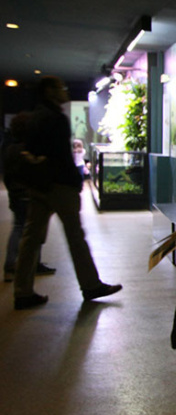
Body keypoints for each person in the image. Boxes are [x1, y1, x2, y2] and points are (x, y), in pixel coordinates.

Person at [13, 76, 122, 309]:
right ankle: (91, 285)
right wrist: (75, 181)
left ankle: (22, 291)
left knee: (31, 239)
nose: (65, 91)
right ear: (51, 91)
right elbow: (62, 157)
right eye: (61, 88)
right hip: (60, 187)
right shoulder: (56, 119)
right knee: (76, 238)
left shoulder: (35, 118)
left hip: (38, 186)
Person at [3, 113, 56, 282]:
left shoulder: (10, 148)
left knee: (19, 227)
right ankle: (35, 264)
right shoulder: (28, 150)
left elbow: (8, 176)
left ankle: (11, 265)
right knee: (34, 229)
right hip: (29, 195)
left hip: (16, 196)